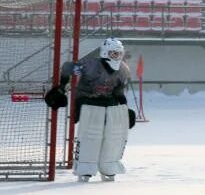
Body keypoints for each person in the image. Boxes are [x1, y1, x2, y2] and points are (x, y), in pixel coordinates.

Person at [44, 37, 136, 182]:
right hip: (87, 102)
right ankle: (85, 167)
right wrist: (61, 87)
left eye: (119, 54)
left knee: (114, 136)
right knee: (90, 137)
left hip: (108, 104)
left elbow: (118, 93)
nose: (117, 57)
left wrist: (125, 111)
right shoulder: (90, 65)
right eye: (114, 53)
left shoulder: (123, 70)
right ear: (105, 53)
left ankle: (109, 166)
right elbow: (68, 67)